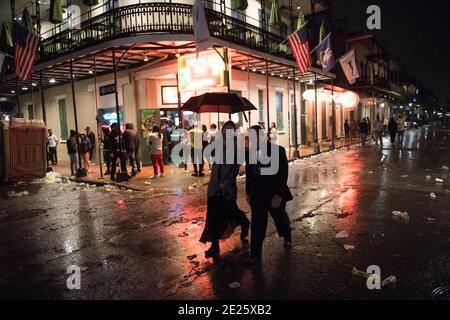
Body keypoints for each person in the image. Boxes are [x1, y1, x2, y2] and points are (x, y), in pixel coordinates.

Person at [200, 121, 250, 259]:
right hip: (214, 185)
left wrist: (225, 183)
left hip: (226, 187)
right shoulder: (218, 143)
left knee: (231, 211)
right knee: (213, 215)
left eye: (230, 129)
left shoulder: (236, 147)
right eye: (225, 129)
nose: (227, 132)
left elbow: (235, 169)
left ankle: (244, 222)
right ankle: (214, 246)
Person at [245, 125, 293, 265]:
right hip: (257, 195)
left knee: (279, 218)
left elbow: (282, 174)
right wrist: (248, 193)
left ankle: (287, 234)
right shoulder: (250, 153)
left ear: (264, 136)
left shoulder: (278, 151)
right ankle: (255, 253)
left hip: (274, 194)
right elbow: (250, 174)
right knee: (257, 224)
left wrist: (278, 195)